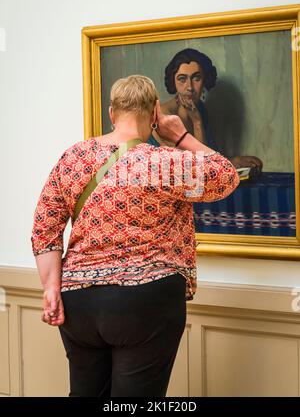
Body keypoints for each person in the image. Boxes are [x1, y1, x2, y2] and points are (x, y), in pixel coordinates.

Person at [31, 75, 239, 397]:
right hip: (145, 300)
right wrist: (181, 135)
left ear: (112, 113)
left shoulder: (74, 158)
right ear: (155, 112)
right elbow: (224, 175)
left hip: (79, 303)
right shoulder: (163, 163)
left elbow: (45, 229)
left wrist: (51, 289)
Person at [149, 48, 263, 178]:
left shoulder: (200, 109)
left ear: (205, 80)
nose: (190, 87)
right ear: (173, 82)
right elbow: (199, 171)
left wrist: (232, 162)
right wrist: (197, 122)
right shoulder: (164, 116)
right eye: (182, 79)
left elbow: (209, 156)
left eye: (196, 78)